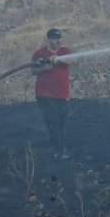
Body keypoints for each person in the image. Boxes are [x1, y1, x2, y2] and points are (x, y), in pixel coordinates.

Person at [30, 28, 73, 160]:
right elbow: (33, 70)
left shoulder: (65, 51)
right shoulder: (39, 53)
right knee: (53, 122)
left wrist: (59, 59)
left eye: (59, 38)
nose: (58, 41)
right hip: (44, 94)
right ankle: (59, 152)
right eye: (55, 39)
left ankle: (58, 146)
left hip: (62, 94)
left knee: (62, 119)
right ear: (48, 40)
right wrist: (45, 68)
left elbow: (73, 61)